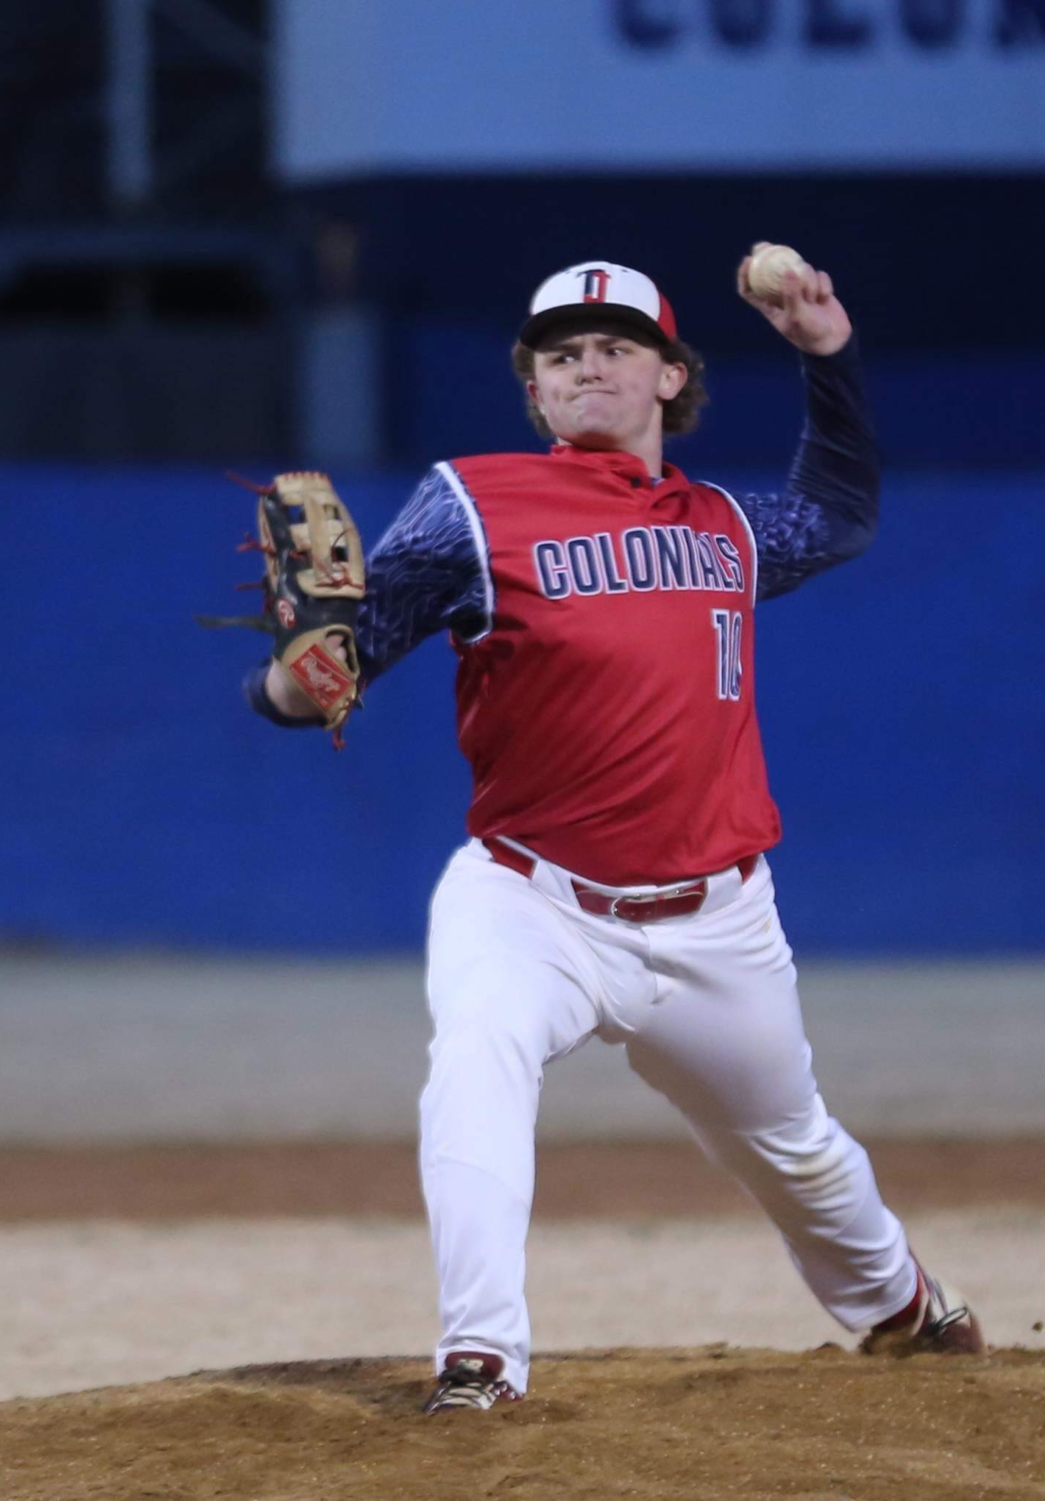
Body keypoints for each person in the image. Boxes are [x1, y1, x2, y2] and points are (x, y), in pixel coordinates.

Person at [245, 253, 986, 1414]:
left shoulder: (728, 527)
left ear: (671, 378)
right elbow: (330, 670)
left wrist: (826, 353)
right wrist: (291, 683)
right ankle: (480, 1358)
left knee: (790, 1145)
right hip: (529, 900)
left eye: (613, 346)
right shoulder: (471, 501)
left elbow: (840, 513)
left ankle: (901, 1304)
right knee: (475, 1069)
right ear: (534, 393)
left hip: (717, 921)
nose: (586, 364)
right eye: (559, 354)